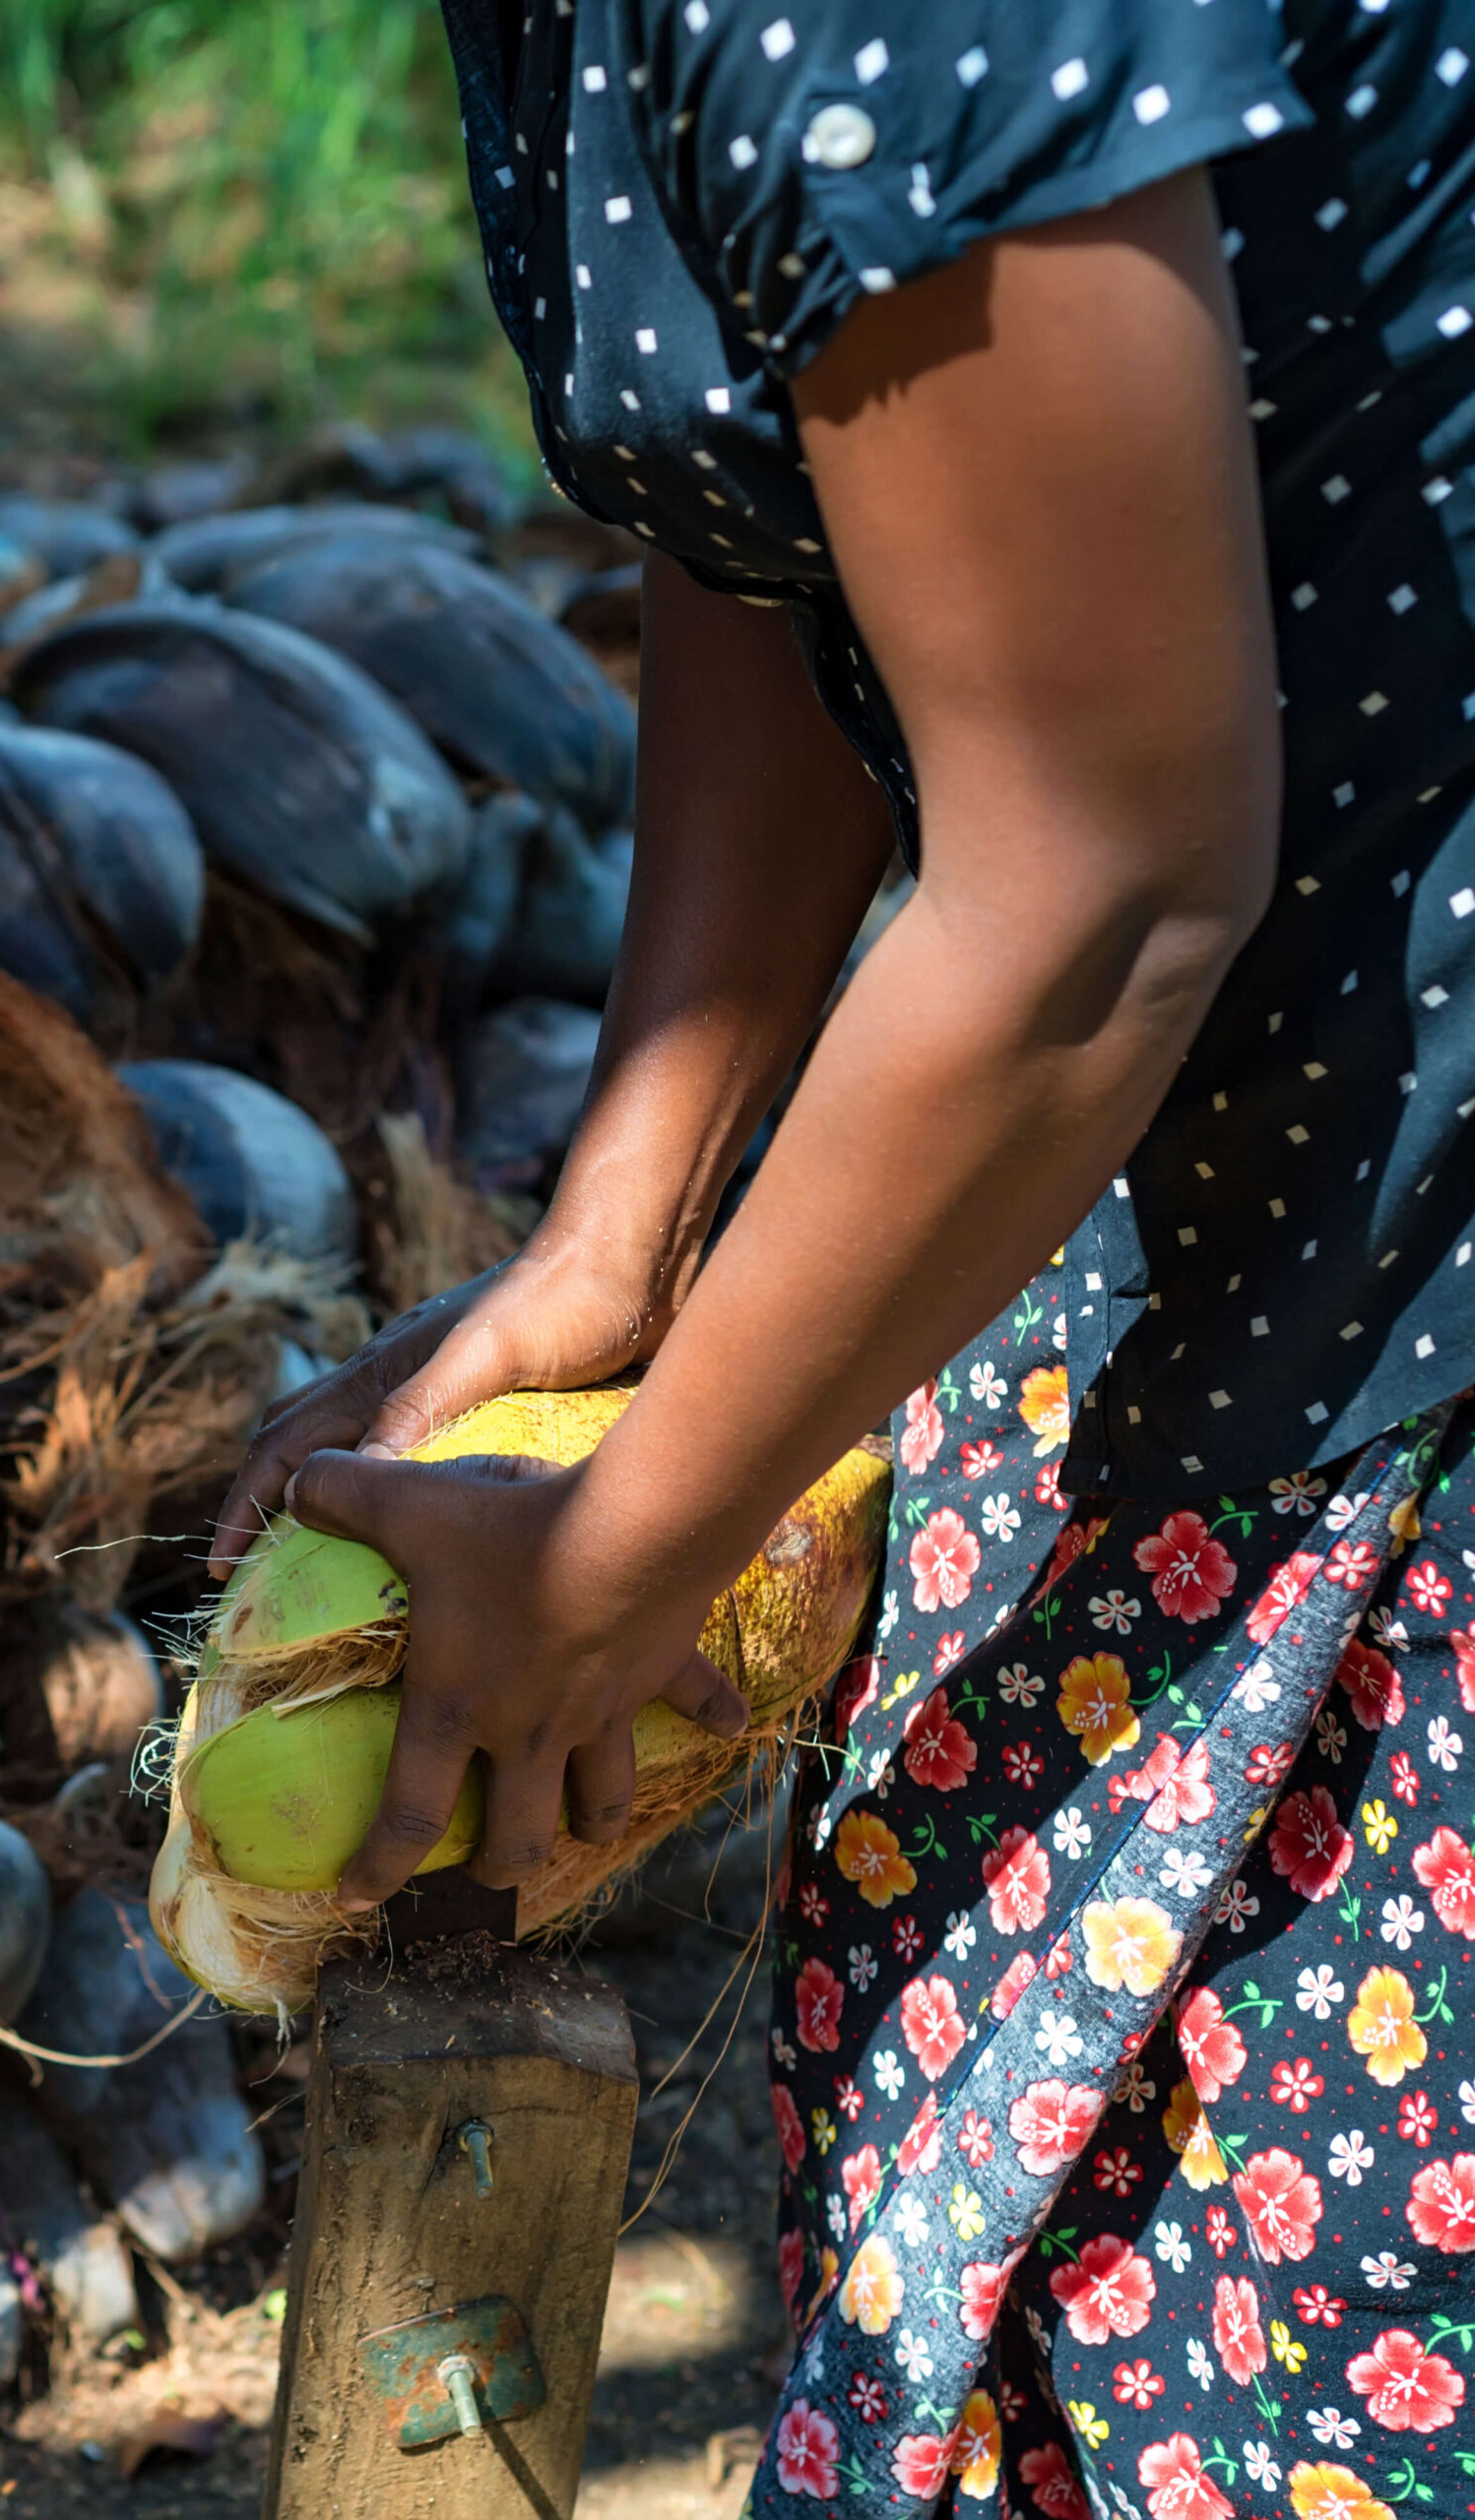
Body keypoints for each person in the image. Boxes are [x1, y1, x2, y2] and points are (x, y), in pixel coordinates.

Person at [215, 5, 1475, 2512]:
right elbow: (793, 506)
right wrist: (618, 1232)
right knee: (982, 2195)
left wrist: (621, 1540)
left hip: (1389, 1174)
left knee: (1271, 2346)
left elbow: (1109, 877)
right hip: (1185, 1104)